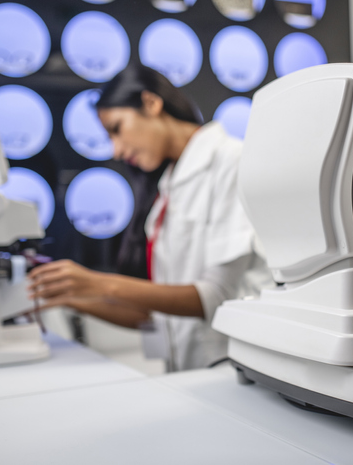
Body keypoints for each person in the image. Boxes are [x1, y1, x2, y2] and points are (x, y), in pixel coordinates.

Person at [27, 64, 271, 371]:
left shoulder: (231, 161)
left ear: (151, 103)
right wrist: (70, 295)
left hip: (232, 370)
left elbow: (215, 296)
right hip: (190, 376)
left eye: (116, 129)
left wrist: (98, 284)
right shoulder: (168, 187)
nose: (115, 150)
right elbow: (156, 316)